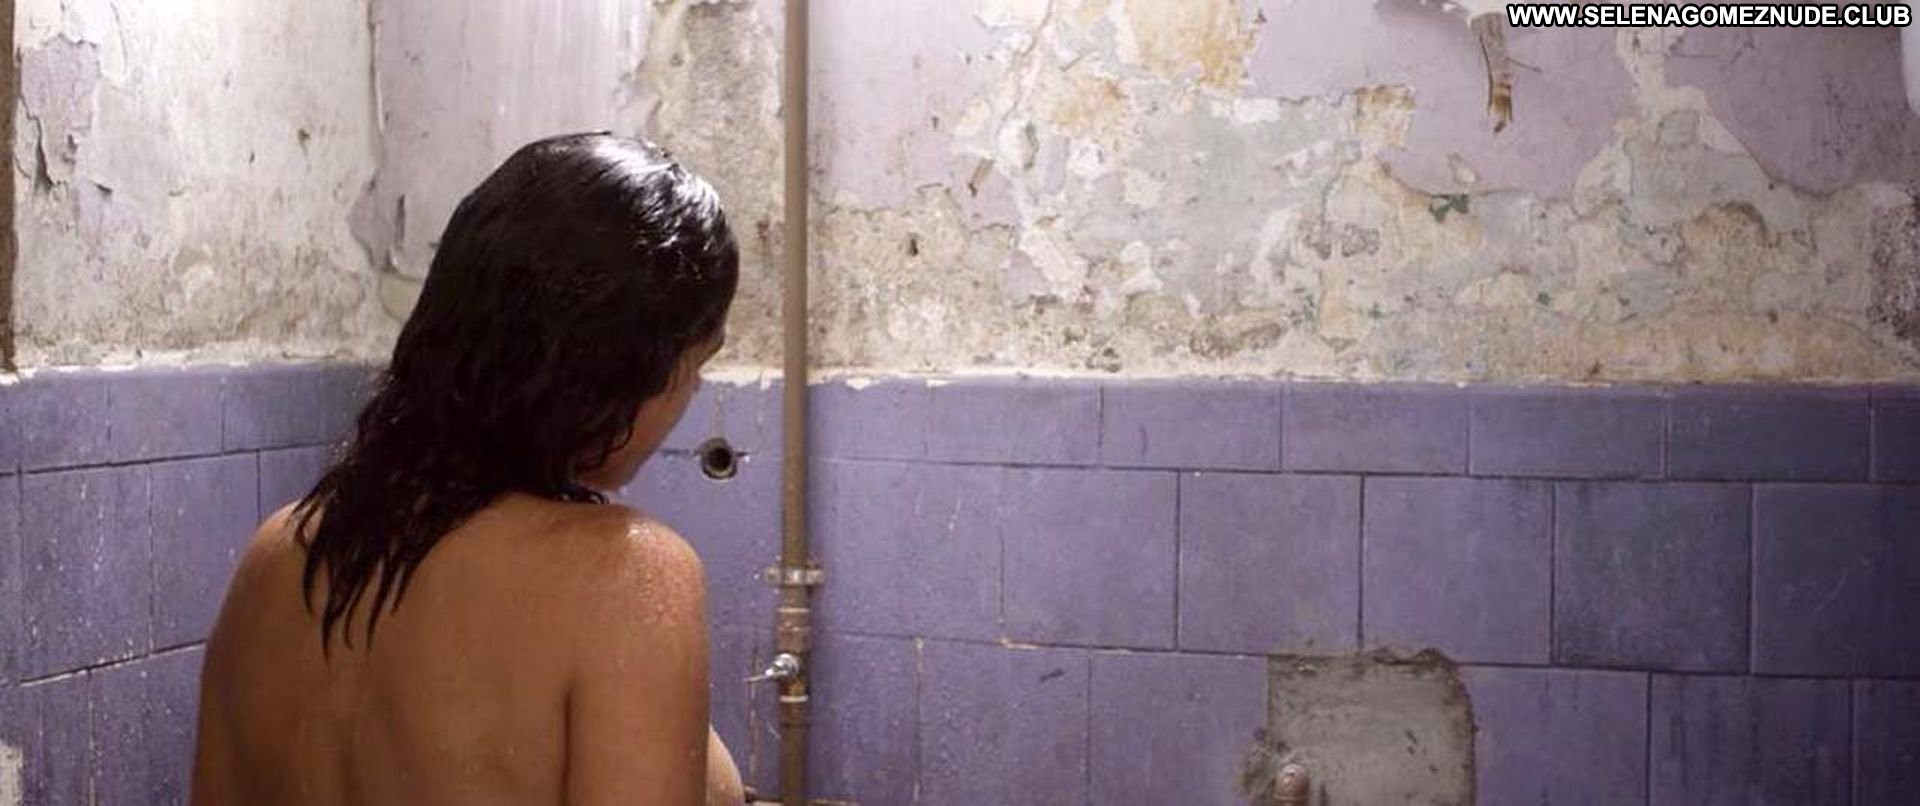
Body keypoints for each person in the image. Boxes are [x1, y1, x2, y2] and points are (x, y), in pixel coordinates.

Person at [192, 132, 746, 806]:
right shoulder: (626, 579)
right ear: (624, 369)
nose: (690, 396)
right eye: (697, 365)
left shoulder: (279, 556)